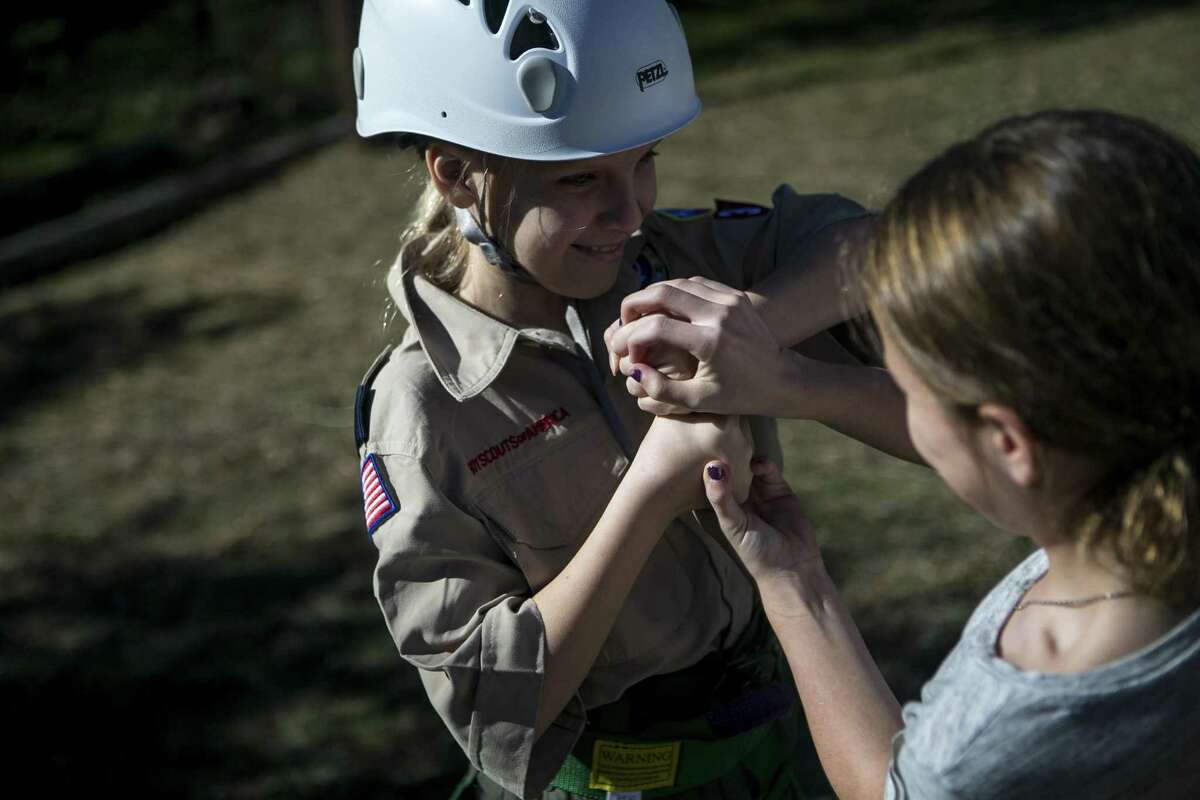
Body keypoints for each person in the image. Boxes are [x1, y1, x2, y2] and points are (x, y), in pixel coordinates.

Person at [349, 1, 912, 797]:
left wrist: (748, 331)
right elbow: (492, 705)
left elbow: (892, 246)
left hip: (788, 738)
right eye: (579, 177)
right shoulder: (422, 410)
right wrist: (650, 492)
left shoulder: (678, 258)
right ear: (456, 173)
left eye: (643, 160)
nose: (631, 211)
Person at [683, 109, 1200, 798]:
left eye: (908, 385)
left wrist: (792, 582)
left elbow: (889, 790)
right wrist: (794, 383)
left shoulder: (995, 742)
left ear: (1011, 443)